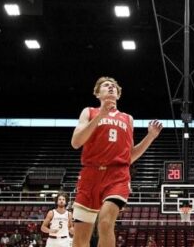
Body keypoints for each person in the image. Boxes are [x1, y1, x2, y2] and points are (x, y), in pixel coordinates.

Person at [70, 77, 163, 247]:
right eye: (106, 85)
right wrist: (101, 116)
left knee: (105, 223)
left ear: (118, 95)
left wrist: (150, 137)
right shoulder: (89, 111)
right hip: (90, 174)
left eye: (114, 86)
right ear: (98, 93)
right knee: (79, 240)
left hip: (117, 175)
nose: (111, 87)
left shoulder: (128, 118)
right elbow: (76, 142)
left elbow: (129, 156)